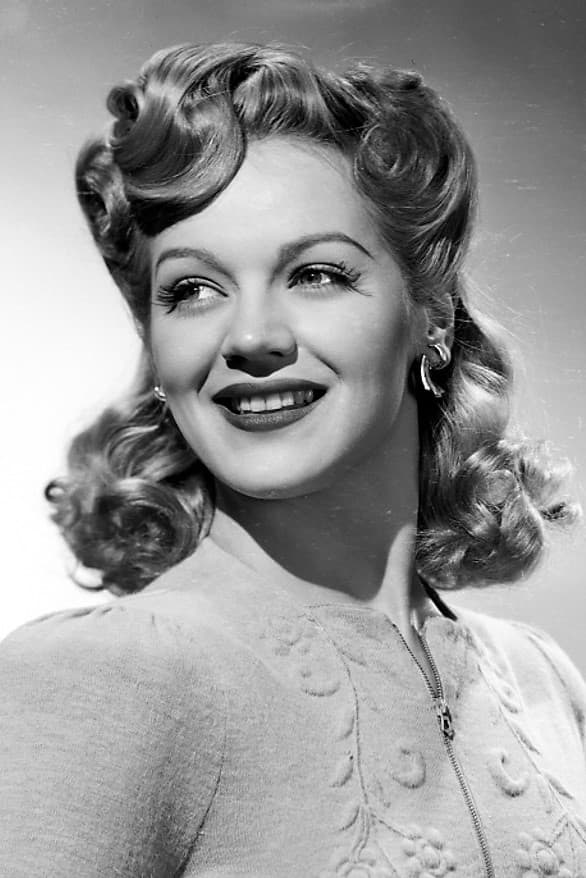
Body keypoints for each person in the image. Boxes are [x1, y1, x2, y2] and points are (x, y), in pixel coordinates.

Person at [1, 41, 585, 878]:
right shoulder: (105, 679)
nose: (250, 337)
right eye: (192, 290)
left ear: (432, 317)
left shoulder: (544, 682)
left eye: (315, 274)